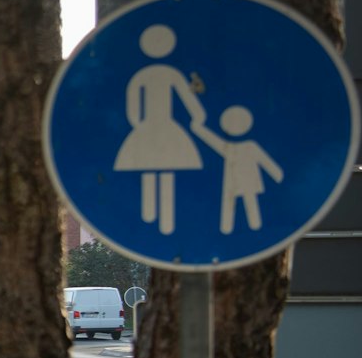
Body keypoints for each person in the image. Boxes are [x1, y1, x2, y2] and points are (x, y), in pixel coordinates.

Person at [113, 23, 208, 236]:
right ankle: (158, 219)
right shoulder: (169, 74)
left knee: (151, 166)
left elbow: (133, 108)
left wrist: (138, 125)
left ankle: (154, 217)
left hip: (150, 127)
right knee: (163, 167)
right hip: (164, 127)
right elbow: (188, 98)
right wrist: (198, 116)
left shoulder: (143, 75)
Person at [192, 105, 284, 235]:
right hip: (236, 180)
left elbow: (265, 161)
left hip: (245, 179)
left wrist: (277, 174)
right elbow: (212, 140)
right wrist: (198, 129)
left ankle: (247, 228)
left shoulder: (244, 146)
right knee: (232, 204)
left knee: (246, 202)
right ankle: (228, 229)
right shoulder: (232, 147)